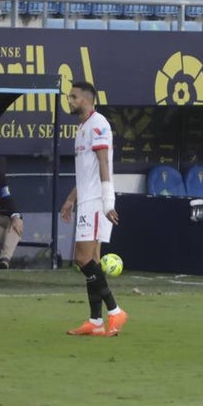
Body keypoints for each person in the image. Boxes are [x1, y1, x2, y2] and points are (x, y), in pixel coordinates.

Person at [62, 81, 128, 337]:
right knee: (92, 261)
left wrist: (107, 201)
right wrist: (70, 199)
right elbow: (86, 173)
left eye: (74, 97)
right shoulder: (82, 127)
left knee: (83, 258)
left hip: (97, 202)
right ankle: (95, 321)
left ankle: (114, 311)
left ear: (88, 99)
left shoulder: (98, 123)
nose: (70, 100)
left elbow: (103, 164)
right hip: (87, 199)